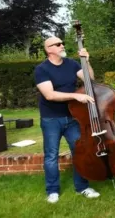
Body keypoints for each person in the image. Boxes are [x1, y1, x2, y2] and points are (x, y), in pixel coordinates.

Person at [34, 36, 100, 203]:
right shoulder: (42, 69)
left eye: (62, 42)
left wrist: (86, 62)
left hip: (72, 117)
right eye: (58, 44)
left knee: (79, 151)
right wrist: (75, 96)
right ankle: (52, 191)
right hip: (51, 119)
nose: (62, 45)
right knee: (51, 155)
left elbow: (89, 79)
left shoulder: (71, 63)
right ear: (49, 49)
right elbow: (49, 95)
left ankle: (82, 187)